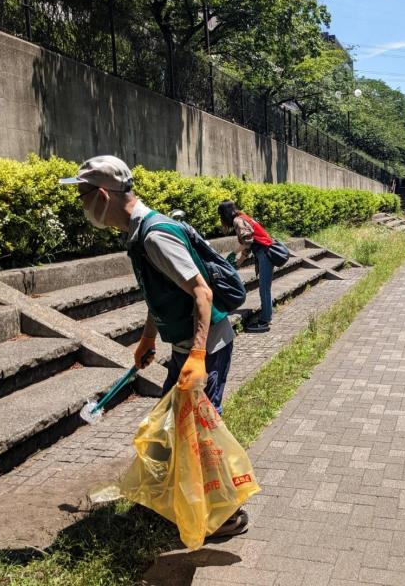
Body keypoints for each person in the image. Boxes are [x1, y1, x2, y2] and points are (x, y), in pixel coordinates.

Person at [59, 155, 247, 537]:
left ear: (101, 195)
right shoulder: (141, 231)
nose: (83, 208)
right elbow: (161, 293)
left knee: (197, 430)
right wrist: (148, 337)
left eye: (83, 198)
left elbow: (201, 293)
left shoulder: (154, 235)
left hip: (207, 345)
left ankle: (227, 515)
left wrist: (196, 356)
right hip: (186, 346)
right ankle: (170, 498)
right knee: (171, 426)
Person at [218, 201, 274, 334]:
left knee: (264, 288)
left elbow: (247, 241)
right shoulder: (243, 217)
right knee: (265, 287)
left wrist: (234, 252)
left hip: (265, 253)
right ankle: (266, 316)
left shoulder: (238, 221)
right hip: (264, 252)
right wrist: (239, 262)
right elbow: (249, 245)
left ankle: (265, 321)